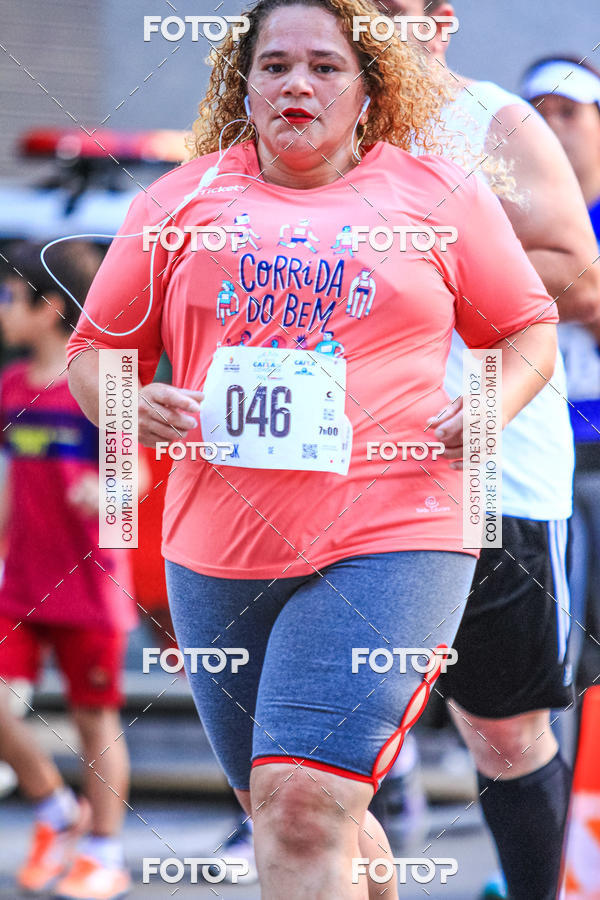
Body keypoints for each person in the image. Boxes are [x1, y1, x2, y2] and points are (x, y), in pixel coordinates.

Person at [66, 1, 560, 896]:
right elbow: (96, 350)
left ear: (370, 91)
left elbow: (527, 329)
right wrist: (128, 405)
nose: (299, 83)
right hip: (218, 543)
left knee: (300, 804)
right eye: (277, 65)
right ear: (244, 84)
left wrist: (483, 405)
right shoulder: (180, 199)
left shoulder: (435, 194)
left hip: (396, 529)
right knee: (294, 808)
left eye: (327, 67)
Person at [372, 3, 600, 899]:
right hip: (337, 477)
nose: (373, 28)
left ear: (440, 21)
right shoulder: (293, 118)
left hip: (490, 472)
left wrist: (410, 254)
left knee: (503, 733)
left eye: (395, 11)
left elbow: (578, 274)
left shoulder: (494, 122)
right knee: (323, 748)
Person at [0, 241, 136, 900]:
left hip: (90, 586)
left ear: (50, 308)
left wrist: (108, 495)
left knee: (94, 721)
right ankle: (57, 812)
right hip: (19, 584)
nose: (1, 308)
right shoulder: (8, 389)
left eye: (9, 295)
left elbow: (135, 472)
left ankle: (103, 853)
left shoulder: (98, 387)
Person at [520, 54, 600, 748]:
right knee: (543, 664)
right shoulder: (497, 213)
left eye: (569, 112)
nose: (551, 126)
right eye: (537, 112)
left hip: (595, 452)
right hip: (527, 454)